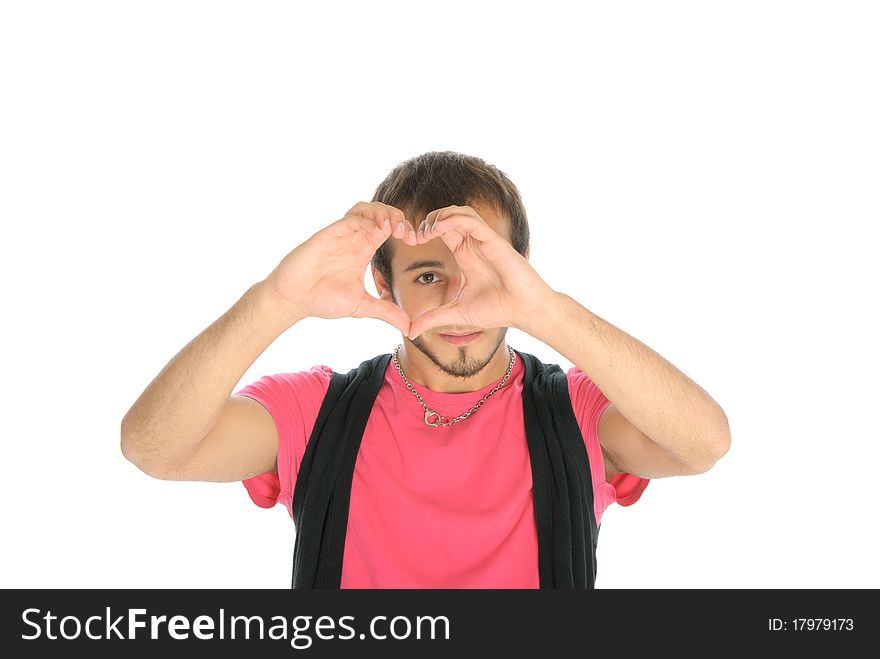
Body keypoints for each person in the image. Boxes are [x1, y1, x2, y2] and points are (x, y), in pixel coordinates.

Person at [120, 150, 731, 589]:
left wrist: (548, 310)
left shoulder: (576, 411)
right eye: (429, 276)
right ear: (384, 282)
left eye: (486, 270)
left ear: (522, 267)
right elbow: (156, 449)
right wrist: (276, 300)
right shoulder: (316, 411)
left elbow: (702, 444)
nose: (459, 303)